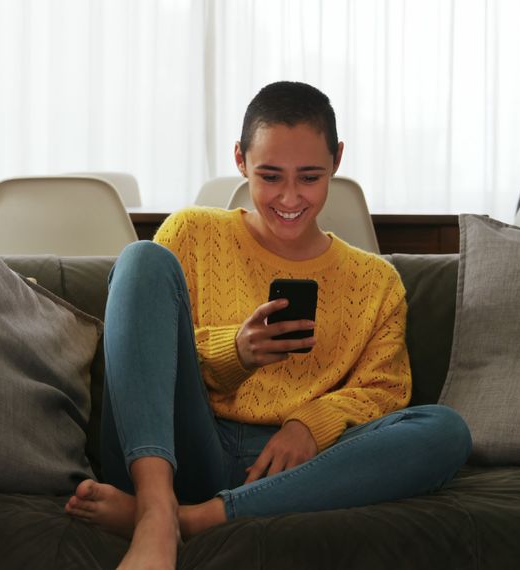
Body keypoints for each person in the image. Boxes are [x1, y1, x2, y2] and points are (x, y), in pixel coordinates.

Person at [65, 81, 472, 569]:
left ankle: (193, 519)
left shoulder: (377, 281)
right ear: (240, 159)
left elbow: (383, 391)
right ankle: (155, 511)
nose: (289, 197)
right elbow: (146, 353)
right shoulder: (192, 232)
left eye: (309, 177)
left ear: (337, 160)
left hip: (294, 470)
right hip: (180, 448)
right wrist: (233, 352)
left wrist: (311, 424)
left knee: (445, 430)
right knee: (140, 259)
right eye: (270, 176)